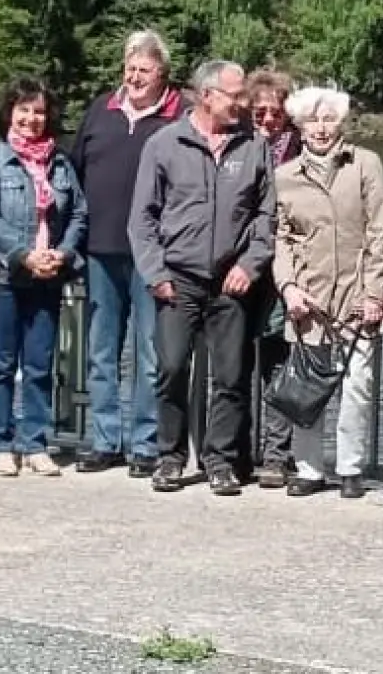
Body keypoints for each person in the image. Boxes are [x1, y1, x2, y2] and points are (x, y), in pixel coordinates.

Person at [129, 60, 275, 497]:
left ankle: (220, 460)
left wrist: (250, 265)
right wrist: (155, 273)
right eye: (235, 94)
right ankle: (170, 457)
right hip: (178, 279)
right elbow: (142, 218)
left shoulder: (254, 145)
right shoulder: (164, 144)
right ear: (207, 95)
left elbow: (267, 216)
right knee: (172, 368)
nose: (243, 102)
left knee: (230, 377)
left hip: (231, 279)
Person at [69, 30, 185, 478]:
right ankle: (103, 440)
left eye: (145, 69)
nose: (135, 77)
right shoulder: (102, 109)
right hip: (101, 247)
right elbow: (73, 172)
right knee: (101, 349)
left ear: (163, 74)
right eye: (130, 67)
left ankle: (145, 443)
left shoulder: (180, 115)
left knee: (150, 352)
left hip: (154, 253)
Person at [274, 86, 383, 499]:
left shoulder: (365, 164)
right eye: (312, 120)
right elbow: (282, 240)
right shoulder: (285, 176)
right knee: (308, 384)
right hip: (309, 298)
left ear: (340, 122)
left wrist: (375, 293)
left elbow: (380, 231)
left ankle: (351, 468)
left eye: (328, 120)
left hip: (357, 296)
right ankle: (308, 469)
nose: (321, 129)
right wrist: (288, 289)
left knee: (357, 384)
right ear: (300, 126)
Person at [0, 79, 88, 478]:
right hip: (5, 275)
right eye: (23, 110)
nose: (31, 119)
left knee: (39, 364)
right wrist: (23, 256)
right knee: (2, 364)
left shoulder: (60, 162)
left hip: (49, 276)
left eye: (38, 111)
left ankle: (36, 443)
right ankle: (1, 444)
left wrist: (63, 253)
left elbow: (78, 215)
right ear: (9, 112)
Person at [244, 67, 300, 488]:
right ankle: (237, 451)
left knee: (279, 368)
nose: (266, 119)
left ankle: (277, 455)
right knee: (235, 366)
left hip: (283, 276)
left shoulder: (301, 152)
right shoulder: (235, 147)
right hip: (241, 271)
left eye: (275, 113)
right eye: (258, 112)